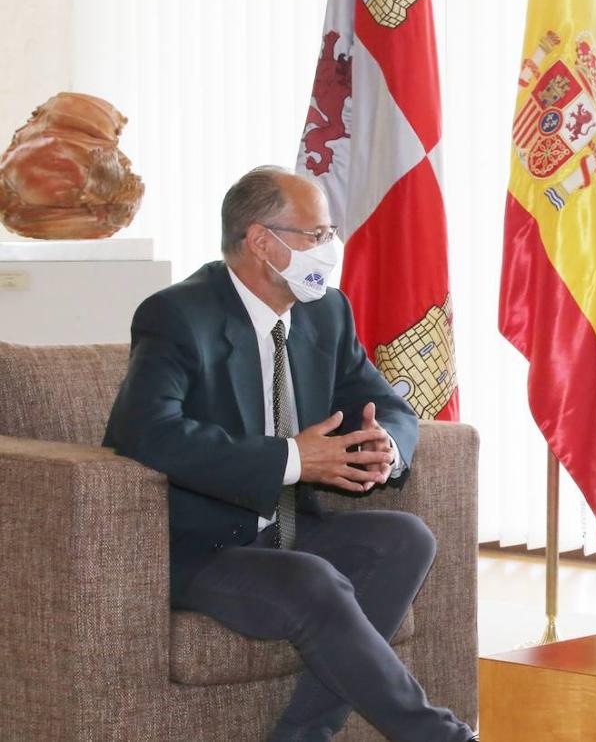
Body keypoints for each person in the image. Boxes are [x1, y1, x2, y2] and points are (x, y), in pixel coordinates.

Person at [104, 166, 476, 742]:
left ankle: (302, 735)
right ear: (261, 242)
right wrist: (290, 460)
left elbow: (386, 402)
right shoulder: (179, 315)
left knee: (406, 538)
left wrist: (389, 446)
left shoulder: (326, 311)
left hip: (289, 528)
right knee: (312, 581)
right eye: (317, 235)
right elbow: (147, 432)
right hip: (201, 546)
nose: (330, 250)